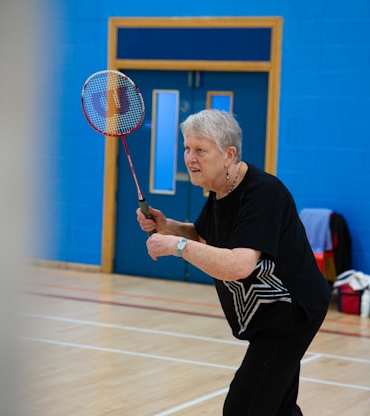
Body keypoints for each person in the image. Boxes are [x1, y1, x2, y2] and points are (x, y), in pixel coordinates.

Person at [137, 109, 331, 416]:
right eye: (187, 148)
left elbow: (240, 265)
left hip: (291, 312)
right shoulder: (220, 189)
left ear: (229, 155)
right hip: (270, 313)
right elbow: (203, 235)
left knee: (245, 406)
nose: (189, 158)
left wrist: (176, 246)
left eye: (200, 150)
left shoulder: (262, 193)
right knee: (278, 407)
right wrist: (168, 225)